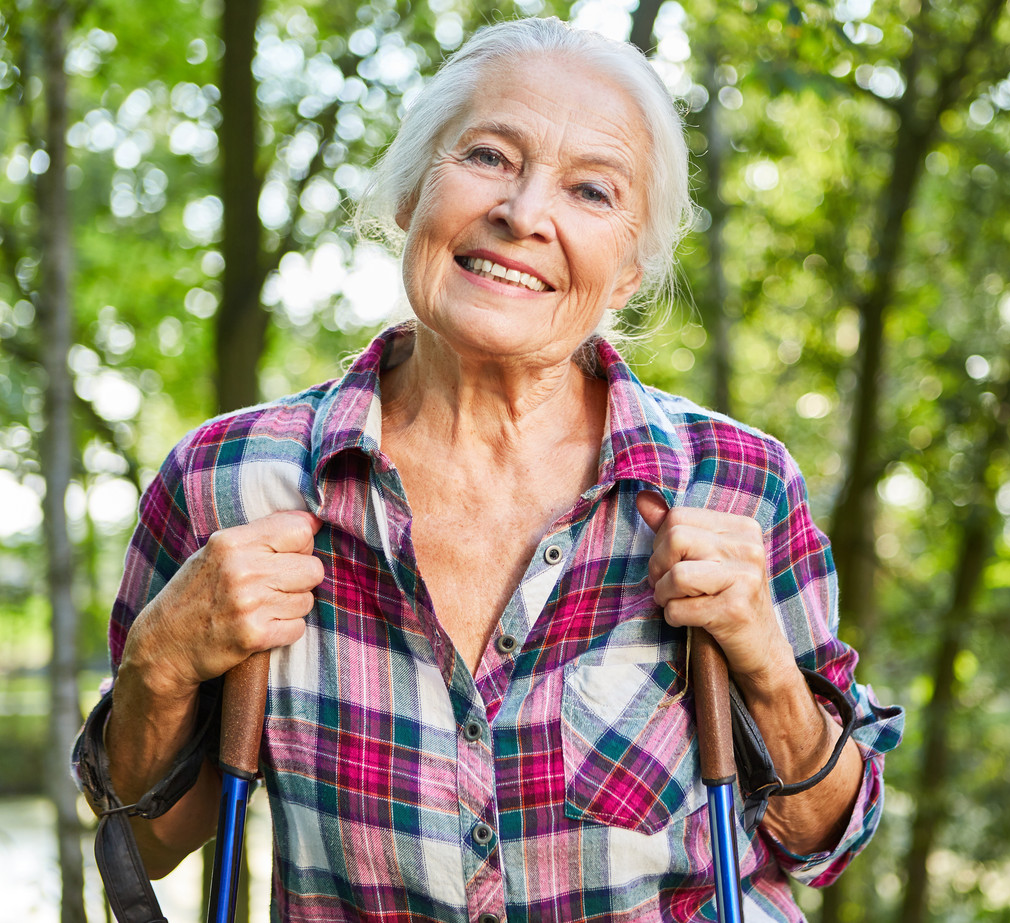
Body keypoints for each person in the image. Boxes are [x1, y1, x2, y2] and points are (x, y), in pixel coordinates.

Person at [76, 17, 902, 922]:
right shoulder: (230, 479)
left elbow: (824, 837)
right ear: (409, 194)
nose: (525, 214)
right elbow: (151, 840)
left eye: (591, 191)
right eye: (488, 157)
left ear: (627, 271)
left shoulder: (736, 481)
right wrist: (156, 667)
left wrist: (769, 669)